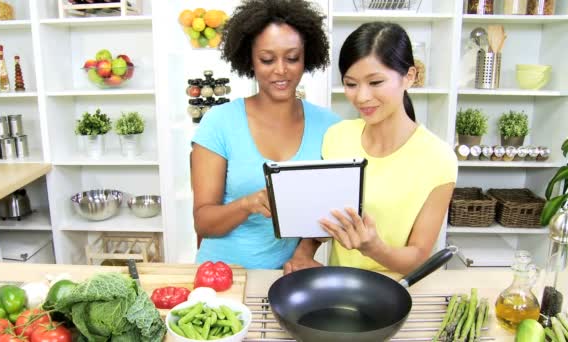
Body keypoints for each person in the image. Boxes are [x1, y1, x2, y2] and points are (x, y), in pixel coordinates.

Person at [284, 22, 458, 275]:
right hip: (338, 286)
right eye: (351, 84)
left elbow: (419, 257)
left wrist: (373, 247)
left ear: (410, 76)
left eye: (375, 82)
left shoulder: (439, 159)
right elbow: (323, 220)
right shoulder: (337, 137)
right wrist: (303, 253)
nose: (362, 97)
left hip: (397, 293)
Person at [190, 0, 340, 269]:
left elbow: (330, 210)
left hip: (285, 275)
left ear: (306, 58)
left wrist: (304, 253)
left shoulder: (329, 126)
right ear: (250, 60)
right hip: (223, 275)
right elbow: (203, 222)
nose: (281, 70)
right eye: (267, 59)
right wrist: (248, 204)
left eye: (292, 58)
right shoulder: (219, 123)